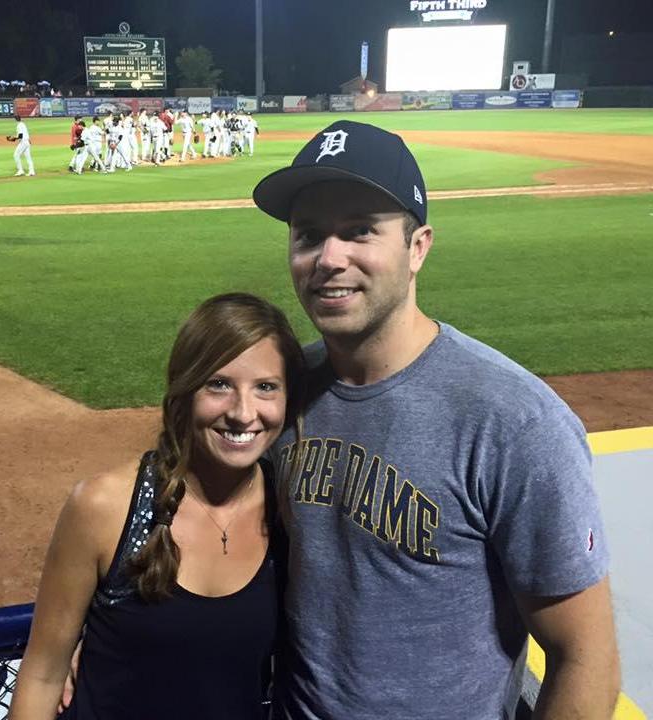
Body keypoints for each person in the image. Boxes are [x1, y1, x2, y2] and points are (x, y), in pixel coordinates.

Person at [251, 120, 620, 719]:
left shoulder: (514, 421)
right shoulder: (279, 392)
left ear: (417, 247)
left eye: (360, 231)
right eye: (309, 235)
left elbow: (585, 656)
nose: (329, 258)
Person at [10, 293, 305, 720]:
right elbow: (41, 677)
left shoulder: (289, 510)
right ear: (184, 390)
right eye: (219, 384)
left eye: (266, 387)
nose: (244, 413)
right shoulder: (105, 507)